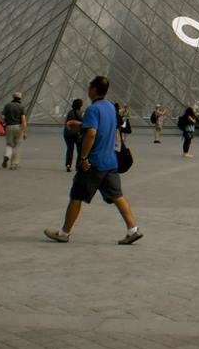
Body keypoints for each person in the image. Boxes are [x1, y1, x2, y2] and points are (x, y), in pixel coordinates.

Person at [44, 75, 143, 244]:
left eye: (90, 87)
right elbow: (103, 126)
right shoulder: (111, 107)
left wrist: (83, 157)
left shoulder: (92, 109)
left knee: (76, 196)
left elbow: (92, 133)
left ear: (95, 89)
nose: (88, 89)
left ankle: (64, 233)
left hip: (94, 163)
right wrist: (80, 124)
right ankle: (133, 229)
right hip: (110, 161)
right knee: (117, 196)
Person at [1, 92, 27, 169]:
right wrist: (24, 131)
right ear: (20, 98)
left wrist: (5, 122)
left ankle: (7, 156)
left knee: (9, 144)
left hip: (9, 126)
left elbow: (2, 117)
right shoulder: (21, 107)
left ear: (13, 97)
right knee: (17, 146)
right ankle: (14, 164)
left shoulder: (7, 106)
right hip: (18, 127)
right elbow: (23, 120)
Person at [63, 99, 84, 172]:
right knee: (80, 150)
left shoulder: (70, 112)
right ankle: (78, 166)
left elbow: (66, 123)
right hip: (77, 134)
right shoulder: (81, 113)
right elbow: (84, 123)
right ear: (80, 106)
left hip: (68, 134)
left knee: (70, 149)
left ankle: (68, 164)